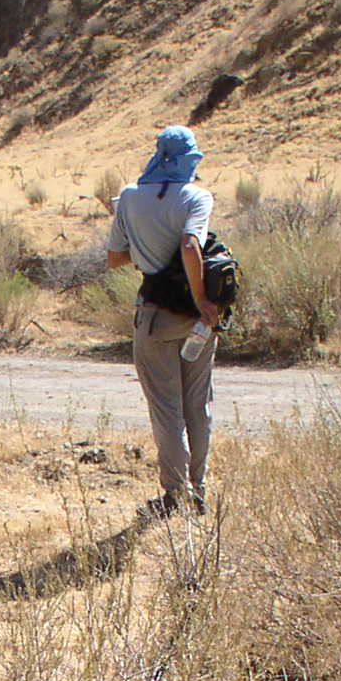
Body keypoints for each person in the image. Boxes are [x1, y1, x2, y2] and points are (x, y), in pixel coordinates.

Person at [105, 125, 221, 517]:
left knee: (167, 410)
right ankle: (198, 491)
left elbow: (115, 258)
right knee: (198, 406)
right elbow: (191, 245)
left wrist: (143, 246)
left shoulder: (130, 197)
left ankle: (175, 495)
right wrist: (202, 299)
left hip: (155, 315)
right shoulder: (197, 197)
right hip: (197, 318)